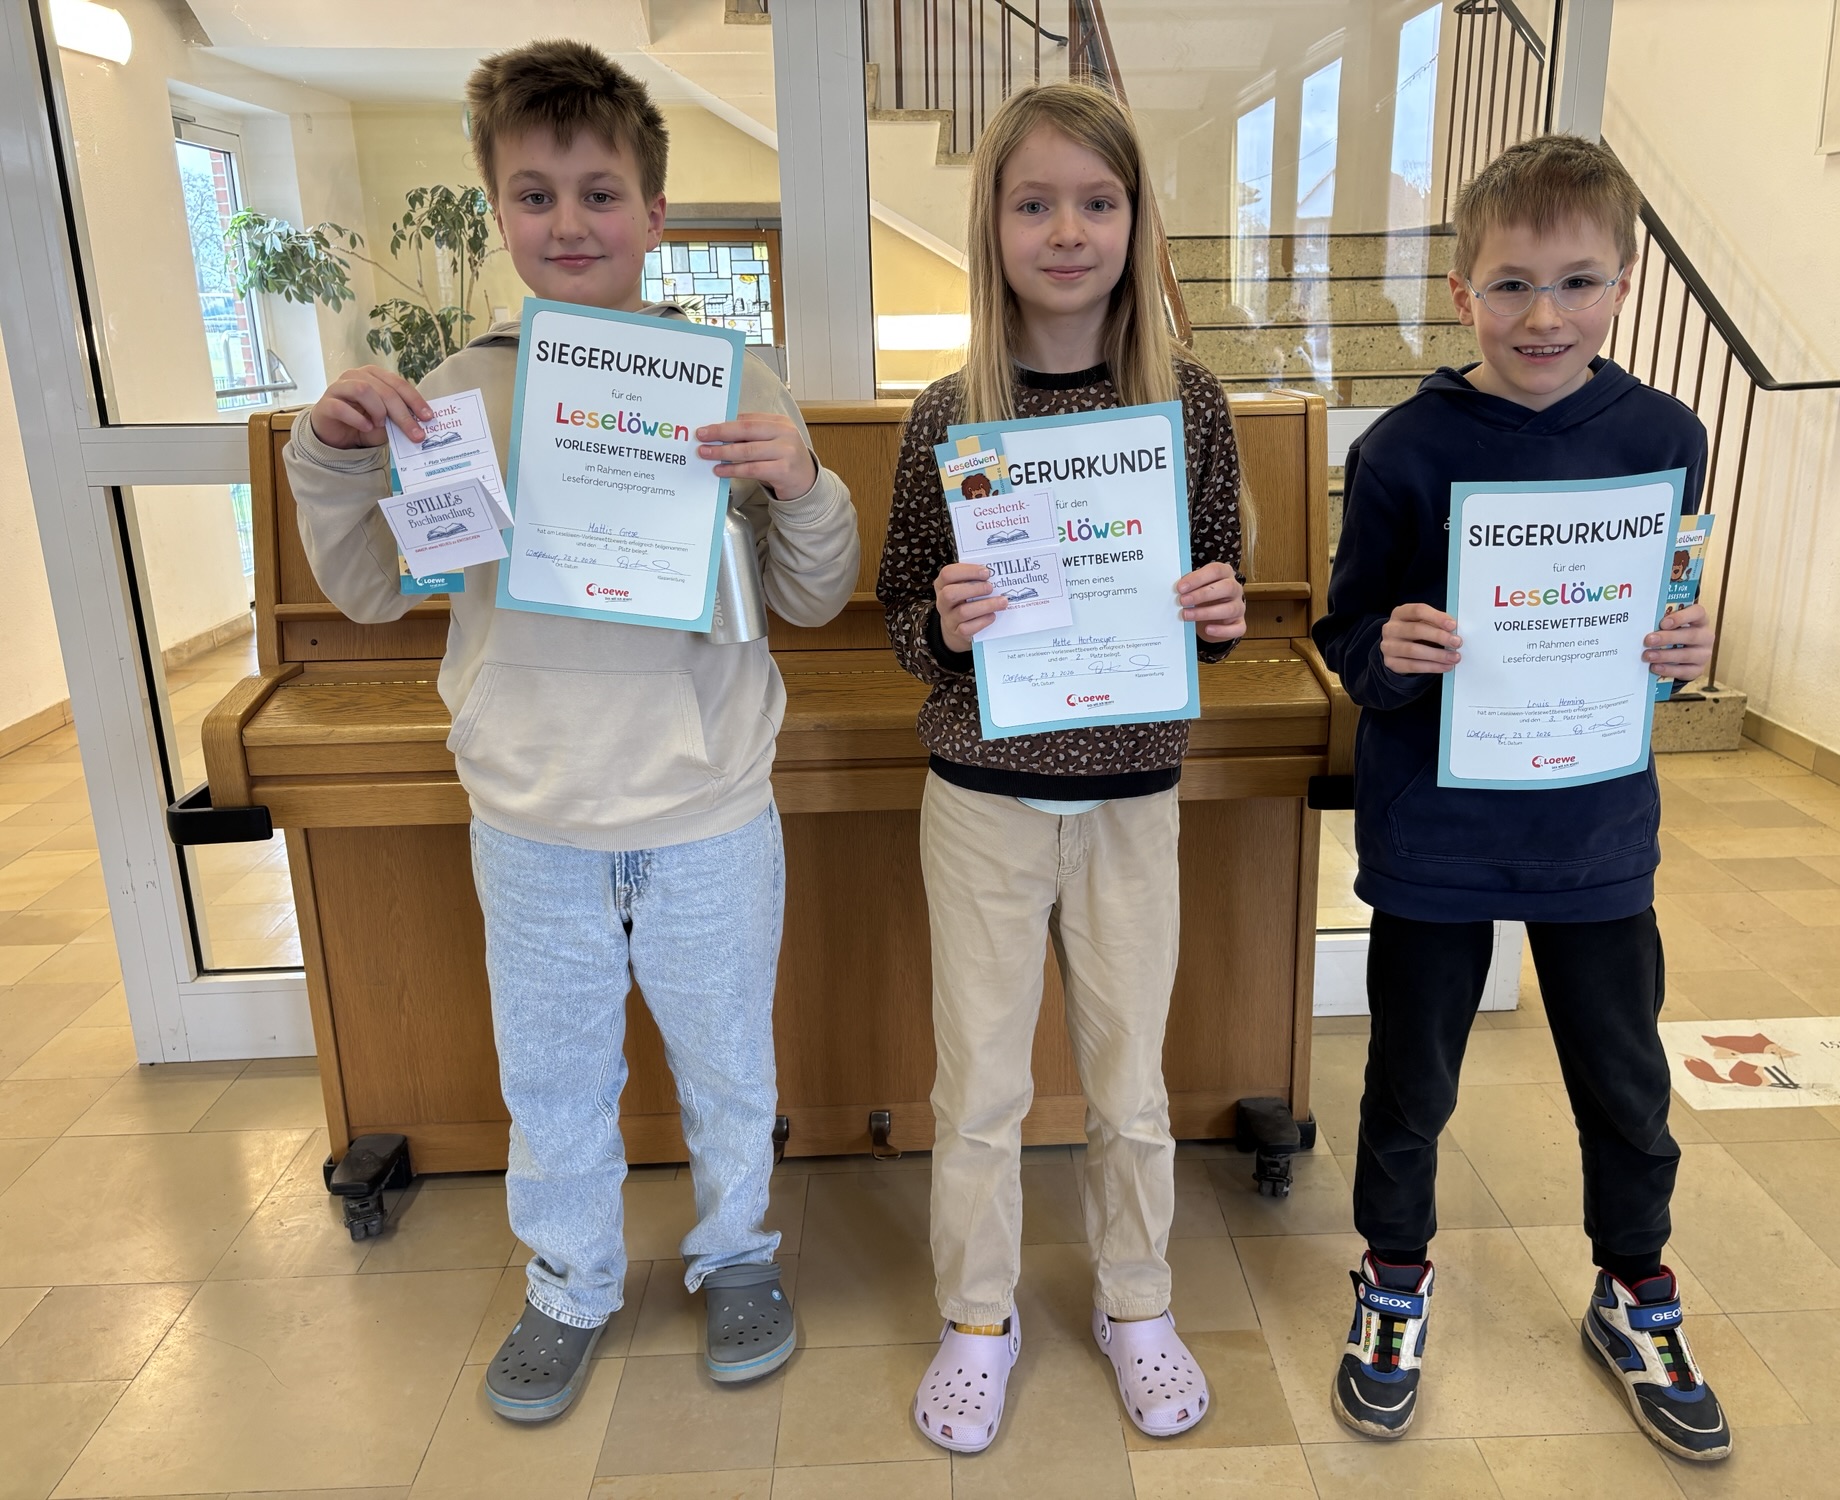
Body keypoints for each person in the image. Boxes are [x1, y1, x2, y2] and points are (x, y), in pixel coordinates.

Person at [282, 40, 859, 1421]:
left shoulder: (736, 379)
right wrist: (332, 458)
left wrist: (804, 483)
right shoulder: (456, 390)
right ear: (499, 213)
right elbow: (370, 591)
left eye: (601, 193)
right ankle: (569, 1280)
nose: (571, 222)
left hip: (708, 807)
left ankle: (738, 1254)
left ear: (654, 214)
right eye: (535, 196)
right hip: (533, 814)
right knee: (550, 1078)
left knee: (730, 1065)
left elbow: (812, 596)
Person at [1311, 134, 1731, 1463]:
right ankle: (1392, 1278)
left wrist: (1683, 648)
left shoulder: (1666, 439)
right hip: (1437, 838)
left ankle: (1636, 1287)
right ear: (1462, 292)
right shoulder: (1403, 450)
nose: (1544, 315)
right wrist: (1391, 650)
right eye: (1511, 285)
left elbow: (1667, 613)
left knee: (1624, 1075)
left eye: (1576, 281)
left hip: (1594, 833)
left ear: (1622, 287)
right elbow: (1346, 636)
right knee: (1411, 1078)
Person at [875, 81, 1247, 1455]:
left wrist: (1219, 611)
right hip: (982, 802)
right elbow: (903, 620)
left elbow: (1218, 585)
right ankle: (978, 1317)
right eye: (1035, 203)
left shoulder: (1185, 404)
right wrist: (946, 624)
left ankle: (1135, 1301)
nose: (1069, 231)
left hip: (1131, 800)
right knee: (978, 1087)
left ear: (1137, 222)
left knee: (1131, 1083)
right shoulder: (948, 414)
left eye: (1098, 202)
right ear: (993, 225)